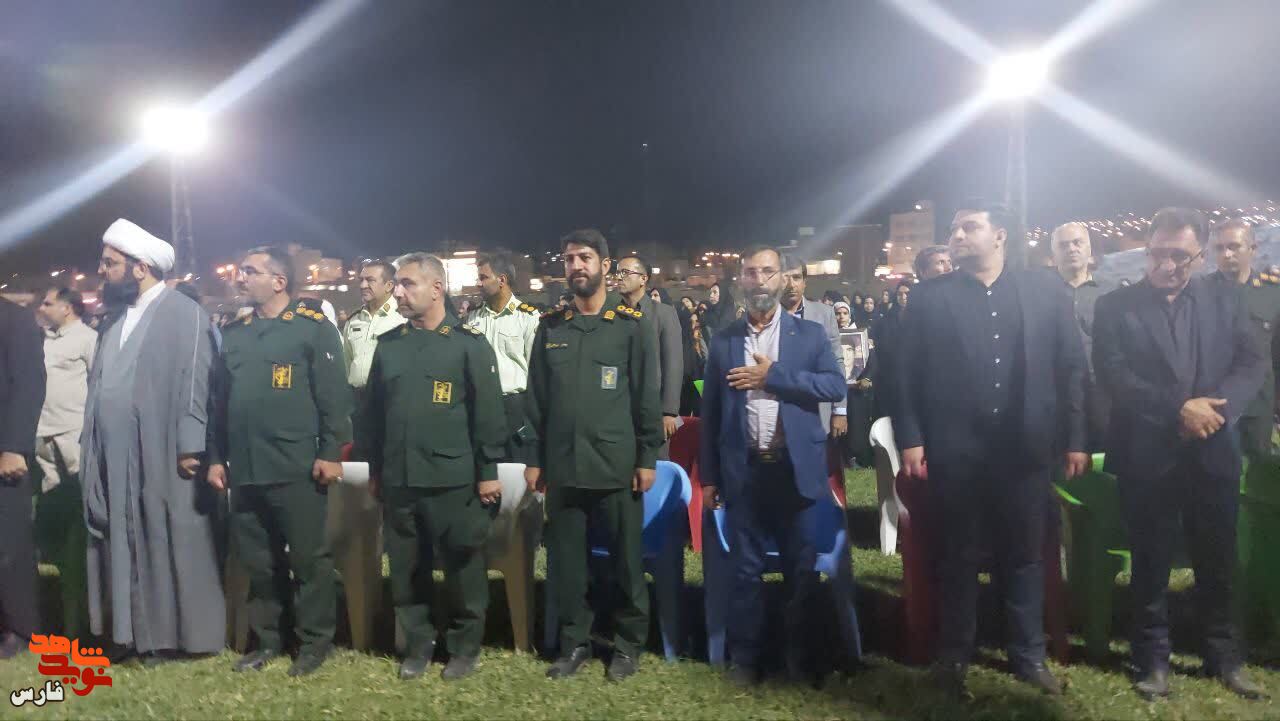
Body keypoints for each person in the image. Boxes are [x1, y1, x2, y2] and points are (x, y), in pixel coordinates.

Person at [895, 201, 1087, 699]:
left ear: (999, 235)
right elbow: (904, 372)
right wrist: (911, 436)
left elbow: (1071, 368)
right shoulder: (930, 297)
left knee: (1024, 554)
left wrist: (1076, 438)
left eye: (969, 227)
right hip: (955, 449)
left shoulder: (1043, 290)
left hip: (1025, 448)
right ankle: (954, 654)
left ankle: (1028, 654)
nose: (957, 236)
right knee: (957, 555)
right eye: (954, 229)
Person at [1093, 208, 1267, 701]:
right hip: (1148, 452)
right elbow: (1115, 375)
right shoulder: (1115, 306)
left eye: (1178, 256)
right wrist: (1180, 409)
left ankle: (1223, 656)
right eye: (1157, 254)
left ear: (1199, 255)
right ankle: (1151, 658)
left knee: (1217, 557)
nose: (1165, 265)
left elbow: (1252, 361)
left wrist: (1216, 411)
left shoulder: (1226, 298)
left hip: (1213, 449)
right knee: (1150, 560)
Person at [699, 245, 851, 687]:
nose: (759, 280)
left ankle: (797, 658)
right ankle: (746, 659)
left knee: (799, 569)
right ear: (740, 281)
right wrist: (709, 477)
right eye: (750, 272)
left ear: (782, 278)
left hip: (794, 469)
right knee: (745, 570)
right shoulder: (725, 340)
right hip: (744, 471)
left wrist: (774, 377)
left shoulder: (809, 335)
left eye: (767, 271)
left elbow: (834, 385)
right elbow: (711, 413)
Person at [356, 252, 507, 681]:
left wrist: (487, 472)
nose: (399, 293)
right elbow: (373, 416)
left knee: (462, 567)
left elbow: (488, 415)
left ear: (437, 288)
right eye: (398, 285)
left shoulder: (468, 344)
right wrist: (375, 470)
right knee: (407, 568)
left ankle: (464, 647)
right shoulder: (390, 345)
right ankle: (418, 645)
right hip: (401, 478)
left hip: (453, 479)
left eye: (408, 284)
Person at [80, 219, 224, 665]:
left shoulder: (184, 314)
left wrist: (190, 444)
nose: (102, 270)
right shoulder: (115, 319)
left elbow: (199, 381)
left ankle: (170, 638)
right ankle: (126, 634)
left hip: (163, 452)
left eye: (110, 263)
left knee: (164, 537)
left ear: (140, 268)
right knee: (120, 539)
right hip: (114, 455)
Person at [207, 246, 351, 677]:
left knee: (309, 560)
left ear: (279, 281)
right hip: (247, 466)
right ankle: (269, 640)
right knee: (260, 561)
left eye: (250, 271)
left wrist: (331, 453)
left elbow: (334, 399)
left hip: (296, 463)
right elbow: (220, 404)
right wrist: (216, 458)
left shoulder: (312, 329)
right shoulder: (235, 333)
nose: (241, 278)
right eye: (241, 270)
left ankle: (314, 643)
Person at [525, 228, 662, 682]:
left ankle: (627, 645)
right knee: (567, 566)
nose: (576, 266)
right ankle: (574, 643)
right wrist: (535, 458)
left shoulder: (631, 325)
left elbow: (646, 396)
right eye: (569, 259)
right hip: (564, 466)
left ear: (605, 266)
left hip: (615, 465)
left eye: (585, 257)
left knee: (625, 563)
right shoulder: (551, 327)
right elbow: (537, 399)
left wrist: (647, 457)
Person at [333, 260, 406, 651]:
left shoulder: (402, 318)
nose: (362, 284)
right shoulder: (355, 321)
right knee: (362, 491)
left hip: (391, 407)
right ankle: (365, 562)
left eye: (369, 279)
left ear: (390, 285)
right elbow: (348, 367)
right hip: (359, 408)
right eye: (360, 279)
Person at [34, 287, 95, 638]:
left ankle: (81, 573)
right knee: (52, 509)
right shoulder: (45, 340)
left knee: (77, 508)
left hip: (74, 432)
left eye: (48, 302)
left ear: (68, 308)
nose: (42, 307)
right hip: (43, 433)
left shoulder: (88, 339)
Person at [1207, 217, 1280, 460]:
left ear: (1252, 249)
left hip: (1258, 405)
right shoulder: (1199, 293)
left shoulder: (1273, 292)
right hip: (1215, 404)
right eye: (1219, 248)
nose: (1226, 254)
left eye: (1234, 246)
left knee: (1259, 472)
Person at [0, 295, 46, 659]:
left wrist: (15, 446)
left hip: (5, 454)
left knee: (9, 544)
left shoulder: (14, 319)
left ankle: (20, 629)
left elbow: (30, 385)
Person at [467, 252, 540, 463]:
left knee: (518, 471)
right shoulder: (473, 318)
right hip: (481, 407)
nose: (478, 283)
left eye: (483, 277)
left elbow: (536, 372)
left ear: (501, 280)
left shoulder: (527, 317)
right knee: (487, 469)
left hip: (515, 408)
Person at [1051, 222, 1111, 450]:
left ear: (1089, 248)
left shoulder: (1110, 293)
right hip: (1057, 392)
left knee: (1102, 453)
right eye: (1063, 245)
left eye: (1077, 243)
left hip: (1101, 391)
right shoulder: (1041, 293)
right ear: (1054, 253)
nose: (1071, 249)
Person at [615, 256, 683, 451]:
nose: (619, 277)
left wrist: (669, 412)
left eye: (625, 273)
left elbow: (673, 363)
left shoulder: (663, 314)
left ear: (643, 279)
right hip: (617, 409)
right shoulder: (611, 313)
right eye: (617, 273)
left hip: (652, 410)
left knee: (654, 463)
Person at [779, 253, 847, 442]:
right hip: (777, 414)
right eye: (785, 278)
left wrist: (840, 409)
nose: (791, 284)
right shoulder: (765, 317)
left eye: (796, 277)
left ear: (805, 282)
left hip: (817, 410)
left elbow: (837, 361)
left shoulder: (824, 314)